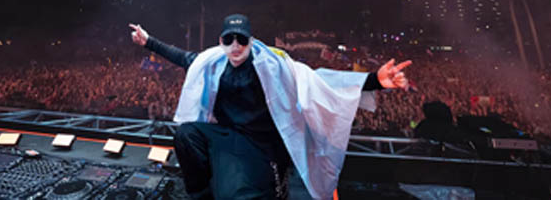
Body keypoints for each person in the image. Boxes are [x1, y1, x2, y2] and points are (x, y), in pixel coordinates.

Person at [130, 14, 411, 200]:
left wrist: (375, 80)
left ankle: (267, 183)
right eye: (229, 39)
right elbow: (181, 57)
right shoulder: (211, 61)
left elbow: (317, 81)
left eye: (241, 39)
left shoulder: (274, 65)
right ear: (221, 41)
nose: (235, 46)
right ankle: (201, 195)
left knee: (238, 195)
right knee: (185, 134)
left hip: (262, 145)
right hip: (228, 137)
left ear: (251, 41)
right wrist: (148, 42)